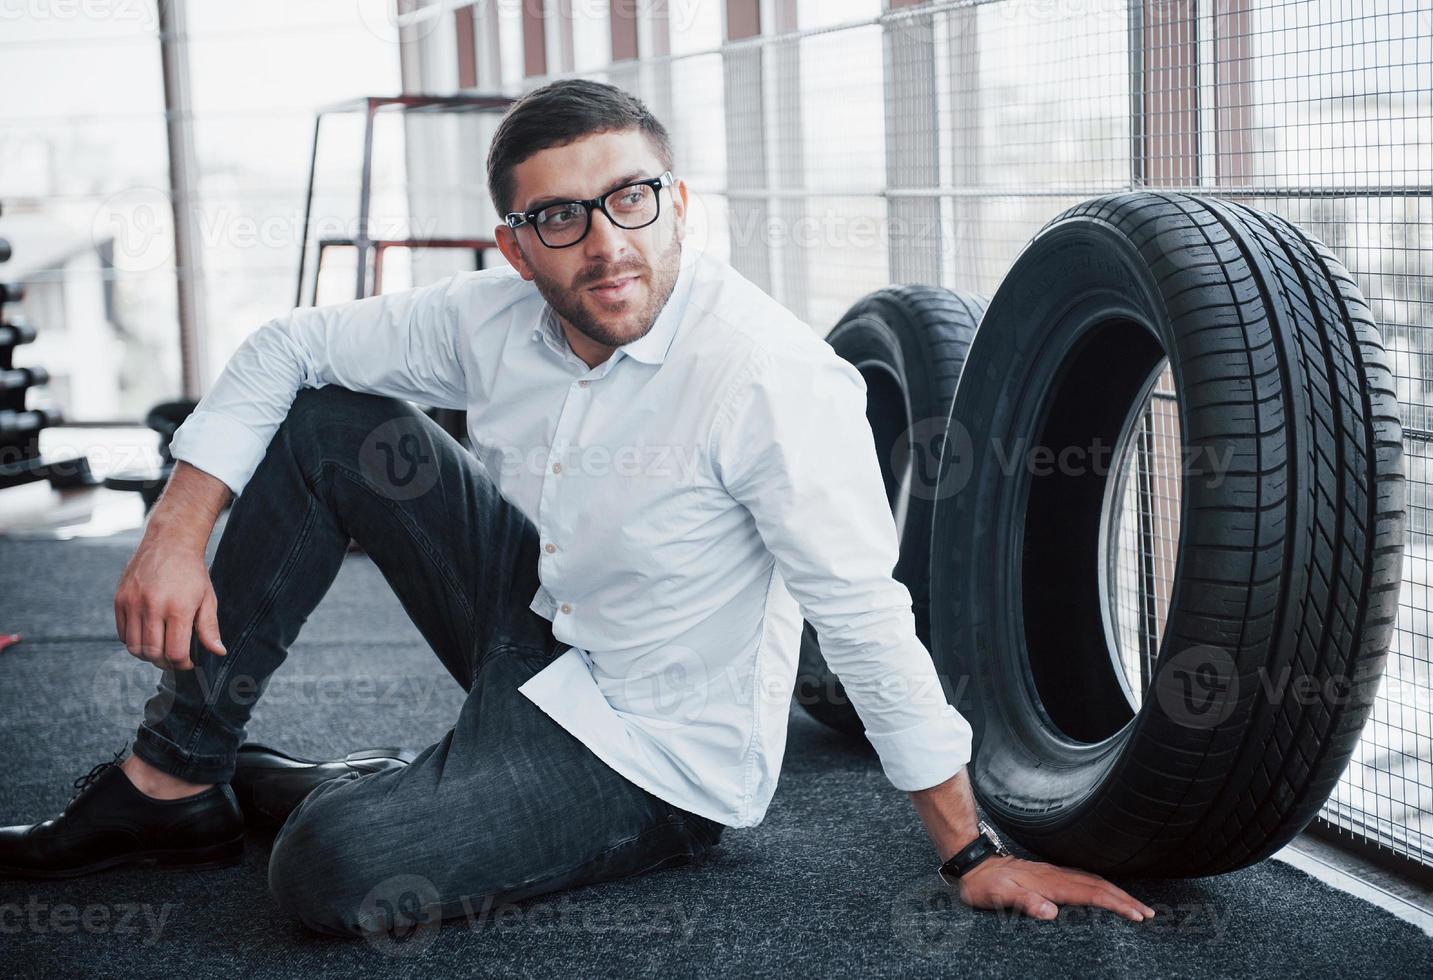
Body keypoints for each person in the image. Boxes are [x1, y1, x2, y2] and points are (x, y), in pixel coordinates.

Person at [0, 78, 1153, 935]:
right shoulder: (489, 318)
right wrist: (177, 524)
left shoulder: (772, 379)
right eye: (560, 218)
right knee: (328, 416)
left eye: (630, 200)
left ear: (676, 202)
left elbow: (862, 614)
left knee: (327, 870)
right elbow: (288, 343)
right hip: (537, 623)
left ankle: (361, 788)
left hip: (650, 751)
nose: (606, 246)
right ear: (513, 245)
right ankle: (173, 779)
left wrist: (967, 854)